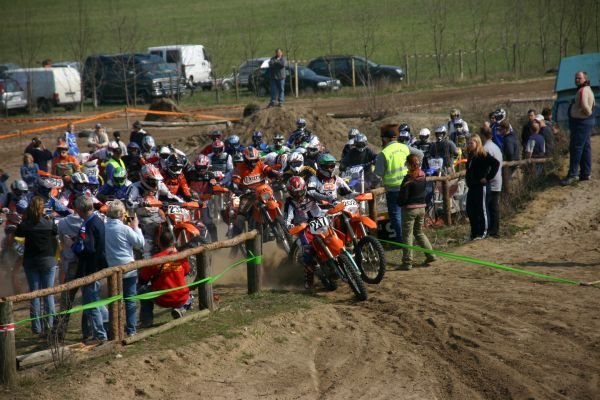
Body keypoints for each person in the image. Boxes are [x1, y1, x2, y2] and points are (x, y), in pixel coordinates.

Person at [15, 196, 58, 334]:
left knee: (34, 294)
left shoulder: (25, 225)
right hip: (48, 261)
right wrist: (47, 217)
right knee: (48, 293)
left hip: (31, 262)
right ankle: (49, 325)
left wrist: (25, 218)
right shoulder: (48, 224)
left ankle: (36, 327)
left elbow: (18, 232)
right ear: (42, 209)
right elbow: (55, 231)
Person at [71, 195, 108, 343]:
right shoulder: (98, 220)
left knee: (90, 303)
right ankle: (107, 325)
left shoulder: (88, 225)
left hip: (90, 267)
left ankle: (100, 335)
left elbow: (87, 248)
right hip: (98, 265)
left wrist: (72, 245)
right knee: (95, 300)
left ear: (80, 210)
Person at [104, 199, 144, 337]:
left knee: (114, 300)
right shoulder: (125, 229)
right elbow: (140, 243)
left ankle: (114, 330)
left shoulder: (104, 227)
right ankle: (131, 330)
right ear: (122, 214)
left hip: (111, 268)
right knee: (130, 299)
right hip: (128, 268)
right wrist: (136, 227)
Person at [138, 230, 193, 326]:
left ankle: (146, 321)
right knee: (190, 297)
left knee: (143, 291)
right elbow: (187, 272)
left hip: (162, 298)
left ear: (159, 243)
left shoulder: (154, 260)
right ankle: (180, 308)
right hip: (181, 296)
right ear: (173, 242)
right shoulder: (181, 256)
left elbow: (142, 280)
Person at [283, 176, 324, 289]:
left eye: (300, 192)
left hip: (319, 221)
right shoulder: (290, 203)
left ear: (304, 188)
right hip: (303, 227)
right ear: (290, 193)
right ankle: (309, 279)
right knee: (307, 249)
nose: (299, 196)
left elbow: (325, 197)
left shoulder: (311, 194)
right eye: (295, 194)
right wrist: (289, 225)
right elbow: (287, 218)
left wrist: (333, 202)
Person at [397, 154, 436, 270]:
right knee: (419, 232)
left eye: (407, 164)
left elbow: (403, 198)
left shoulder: (408, 179)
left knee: (407, 235)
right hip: (421, 208)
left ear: (409, 165)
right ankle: (431, 255)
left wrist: (399, 202)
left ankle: (407, 262)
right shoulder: (423, 175)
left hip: (410, 210)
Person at [374, 124, 412, 243]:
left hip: (393, 189)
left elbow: (378, 174)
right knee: (408, 214)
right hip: (408, 185)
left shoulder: (384, 153)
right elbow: (419, 155)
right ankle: (410, 239)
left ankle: (403, 242)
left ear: (385, 138)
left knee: (396, 216)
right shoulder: (405, 148)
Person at [465, 135, 500, 240]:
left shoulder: (482, 154)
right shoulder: (471, 155)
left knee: (482, 209)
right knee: (471, 210)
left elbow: (496, 163)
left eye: (471, 143)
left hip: (481, 187)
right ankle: (474, 233)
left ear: (477, 143)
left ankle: (483, 232)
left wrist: (487, 178)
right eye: (468, 143)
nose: (469, 145)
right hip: (472, 187)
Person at [480, 126, 503, 238]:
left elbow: (489, 166)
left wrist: (487, 177)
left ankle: (493, 230)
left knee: (491, 208)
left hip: (491, 182)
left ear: (482, 136)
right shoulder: (495, 146)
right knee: (493, 207)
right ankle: (494, 229)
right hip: (497, 180)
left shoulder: (486, 148)